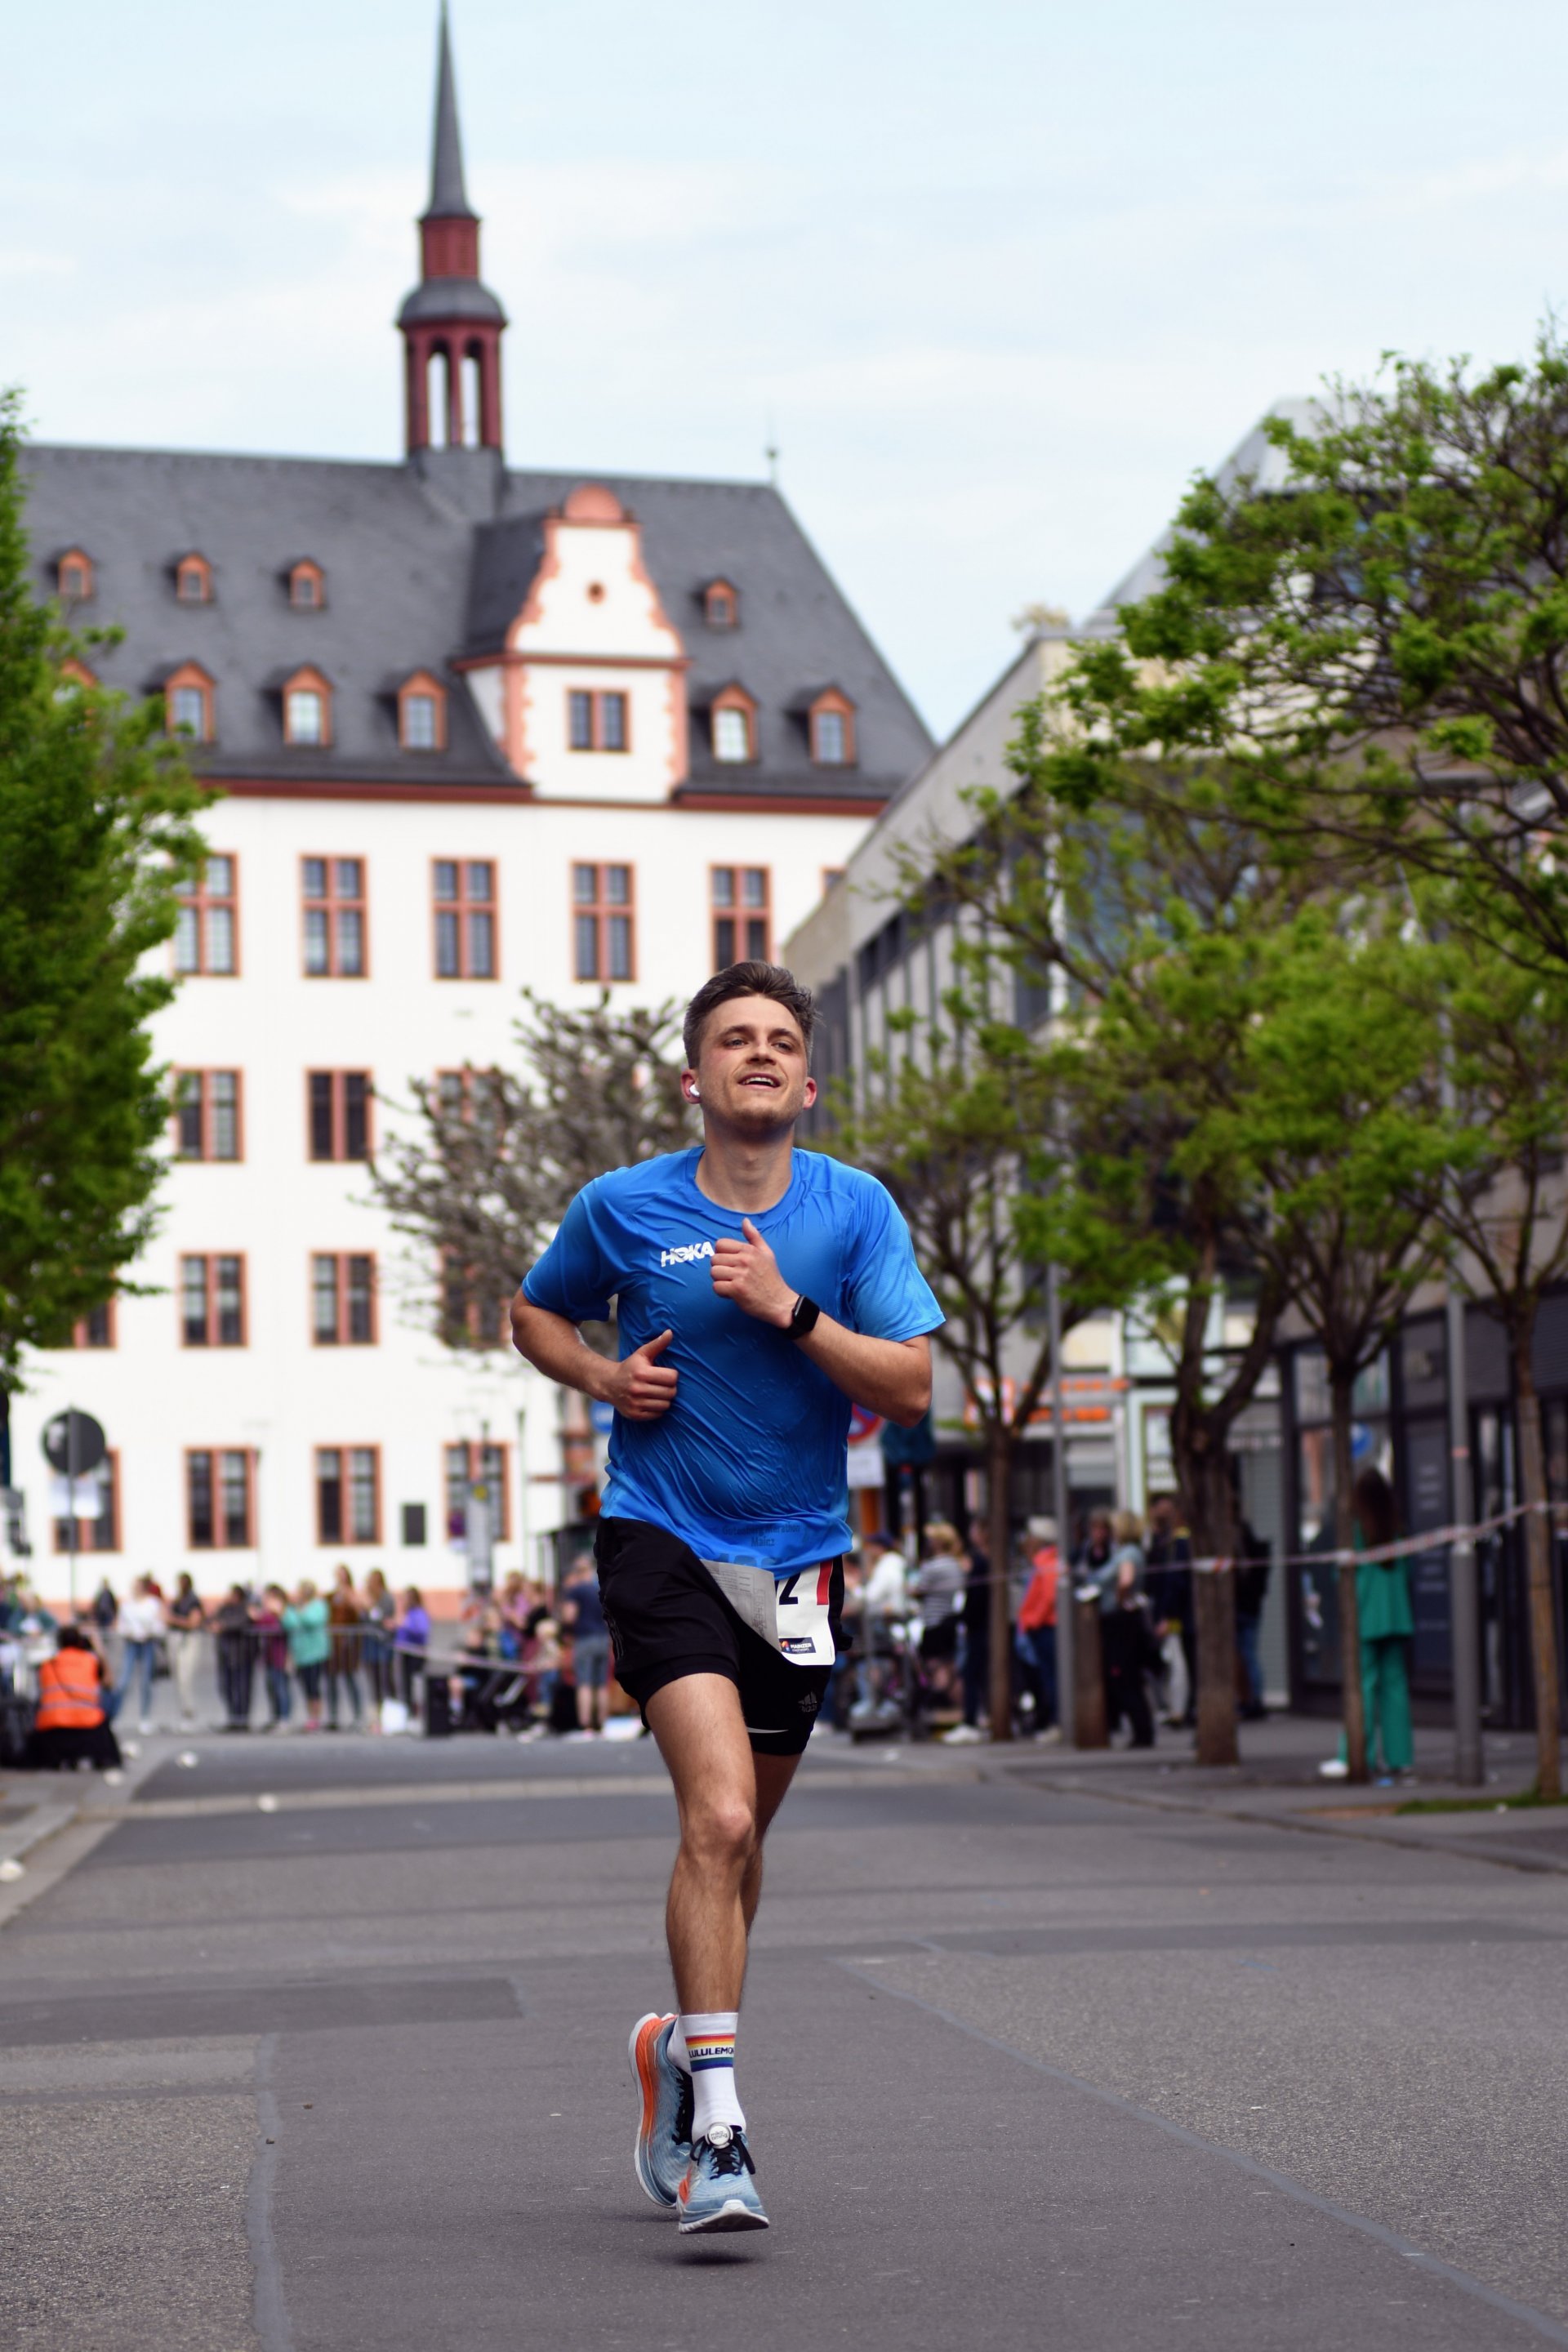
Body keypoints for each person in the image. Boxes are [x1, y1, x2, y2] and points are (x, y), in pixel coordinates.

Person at [511, 960, 939, 2236]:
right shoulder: (620, 1206)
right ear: (693, 1079)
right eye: (732, 1039)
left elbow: (911, 1388)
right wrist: (602, 1378)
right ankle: (721, 2131)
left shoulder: (854, 1211)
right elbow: (533, 1312)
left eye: (780, 1041)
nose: (758, 1054)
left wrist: (789, 1309)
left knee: (745, 1840)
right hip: (662, 1534)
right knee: (719, 1814)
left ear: (808, 1082)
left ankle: (676, 2054)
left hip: (800, 1556)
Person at [1319, 1467, 1415, 1784]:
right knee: (1395, 1688)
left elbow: (1341, 1575)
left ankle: (1356, 1754)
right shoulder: (1397, 1527)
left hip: (1365, 1616)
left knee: (1363, 1687)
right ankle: (1401, 1758)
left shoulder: (1356, 1530)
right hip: (1397, 1616)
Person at [26, 1627, 122, 1772]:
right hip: (88, 1725)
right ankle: (102, 1759)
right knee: (107, 1705)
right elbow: (109, 1683)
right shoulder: (90, 1661)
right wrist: (99, 1649)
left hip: (52, 1728)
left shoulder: (47, 1665)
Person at [1144, 1492, 1196, 1729]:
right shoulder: (1169, 1540)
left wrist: (1167, 1615)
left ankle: (1181, 1710)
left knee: (1180, 1667)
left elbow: (1176, 1582)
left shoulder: (1181, 1541)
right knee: (1179, 1666)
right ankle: (1183, 1709)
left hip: (1182, 1615)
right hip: (1182, 1614)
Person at [1102, 1557, 1162, 1746]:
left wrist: (1121, 1599)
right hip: (1126, 1622)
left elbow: (1126, 1581)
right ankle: (1143, 1732)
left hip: (1123, 1624)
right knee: (1130, 1682)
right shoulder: (1126, 1553)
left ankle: (1143, 1733)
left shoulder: (1127, 1553)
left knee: (1127, 1681)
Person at [911, 1521, 965, 1713]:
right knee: (949, 1668)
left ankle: (943, 1708)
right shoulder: (956, 1564)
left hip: (934, 1622)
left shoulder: (932, 1566)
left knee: (937, 1669)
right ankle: (964, 1711)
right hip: (949, 1620)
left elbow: (918, 1590)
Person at [559, 1551, 612, 1737]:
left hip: (584, 1639)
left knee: (585, 1683)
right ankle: (602, 1724)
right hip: (602, 1638)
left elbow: (569, 1617)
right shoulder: (600, 1587)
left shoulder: (576, 1590)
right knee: (602, 1684)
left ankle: (586, 1725)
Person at [1018, 1516, 1060, 1738]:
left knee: (1050, 1677)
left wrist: (1033, 1620)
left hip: (1044, 1627)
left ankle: (1056, 1722)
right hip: (1040, 1626)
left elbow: (1049, 1596)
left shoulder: (1046, 1561)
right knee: (1046, 1676)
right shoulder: (1043, 1560)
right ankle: (1053, 1720)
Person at [116, 1575, 164, 1735]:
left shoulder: (152, 1604)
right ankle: (116, 1715)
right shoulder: (127, 1605)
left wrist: (149, 1631)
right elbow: (121, 1625)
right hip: (131, 1643)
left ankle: (145, 1718)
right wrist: (128, 1632)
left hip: (147, 1643)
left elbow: (158, 1624)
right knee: (124, 1681)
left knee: (145, 1682)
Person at [1234, 1522, 1272, 1722]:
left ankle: (1252, 1699)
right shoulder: (1249, 1541)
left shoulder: (1238, 1543)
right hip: (1249, 1608)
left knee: (1246, 1655)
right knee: (1247, 1655)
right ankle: (1250, 1698)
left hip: (1242, 1608)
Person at [285, 1579, 330, 1731]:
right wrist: (296, 1612)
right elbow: (289, 1622)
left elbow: (312, 1621)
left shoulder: (318, 1605)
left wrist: (299, 1613)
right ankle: (310, 1716)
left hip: (315, 1653)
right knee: (306, 1687)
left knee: (314, 1687)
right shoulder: (297, 1607)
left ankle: (316, 1718)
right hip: (301, 1654)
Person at [164, 1573, 206, 1729]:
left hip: (189, 1640)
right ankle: (183, 1712)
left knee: (185, 1678)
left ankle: (189, 1713)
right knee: (178, 1678)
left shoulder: (193, 1601)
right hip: (177, 1639)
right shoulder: (178, 1600)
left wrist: (174, 1620)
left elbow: (193, 1623)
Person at [327, 1566, 364, 1731]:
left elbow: (360, 1612)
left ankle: (358, 1716)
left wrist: (349, 1597)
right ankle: (333, 1716)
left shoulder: (352, 1595)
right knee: (332, 1681)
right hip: (334, 1643)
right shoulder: (332, 1596)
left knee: (350, 1680)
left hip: (348, 1644)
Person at [212, 1585, 256, 1730]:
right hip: (225, 1655)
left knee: (242, 1688)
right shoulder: (224, 1609)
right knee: (227, 1688)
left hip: (241, 1655)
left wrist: (223, 1625)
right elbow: (211, 1621)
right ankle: (232, 1718)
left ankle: (242, 1719)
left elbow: (241, 1622)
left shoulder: (245, 1608)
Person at [254, 1585, 292, 1731]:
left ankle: (284, 1718)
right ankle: (275, 1717)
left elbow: (279, 1629)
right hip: (269, 1656)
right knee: (271, 1688)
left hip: (280, 1656)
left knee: (281, 1687)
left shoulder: (283, 1613)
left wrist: (278, 1613)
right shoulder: (268, 1613)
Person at [362, 1568, 396, 1723]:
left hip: (383, 1643)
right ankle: (376, 1715)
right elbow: (364, 1618)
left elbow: (381, 1617)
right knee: (373, 1680)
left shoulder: (386, 1598)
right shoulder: (368, 1598)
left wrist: (370, 1608)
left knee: (386, 1679)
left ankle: (391, 1712)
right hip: (370, 1644)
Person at [395, 1587, 430, 1721]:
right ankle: (409, 1712)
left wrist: (406, 1624)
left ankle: (417, 1712)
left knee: (415, 1683)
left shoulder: (419, 1613)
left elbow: (422, 1630)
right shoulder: (407, 1613)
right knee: (406, 1684)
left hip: (416, 1653)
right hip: (405, 1652)